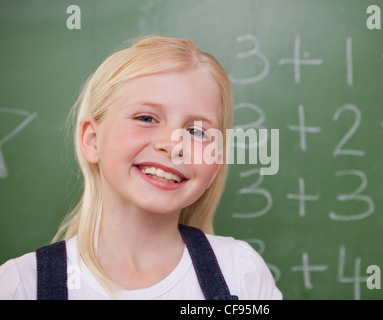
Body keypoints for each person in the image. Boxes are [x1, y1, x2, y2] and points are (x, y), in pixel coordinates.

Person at [0, 36, 282, 300]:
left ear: (215, 165)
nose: (173, 144)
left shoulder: (241, 273)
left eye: (196, 132)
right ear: (92, 139)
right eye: (146, 118)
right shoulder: (22, 284)